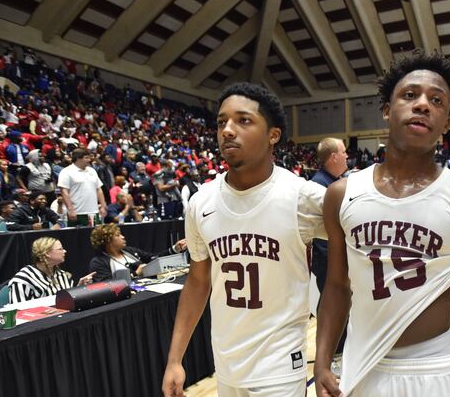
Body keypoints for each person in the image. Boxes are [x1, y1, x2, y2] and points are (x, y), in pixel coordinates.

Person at [315, 51, 450, 397]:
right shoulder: (341, 194)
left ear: (447, 121)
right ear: (387, 109)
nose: (422, 104)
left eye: (436, 100)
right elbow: (336, 286)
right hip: (361, 362)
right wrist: (321, 362)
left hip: (433, 367)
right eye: (410, 95)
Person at [162, 82, 327, 397]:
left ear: (273, 135)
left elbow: (365, 234)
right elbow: (198, 282)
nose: (227, 130)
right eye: (222, 122)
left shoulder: (302, 196)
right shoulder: (201, 203)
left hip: (280, 367)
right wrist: (175, 359)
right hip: (226, 364)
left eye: (243, 120)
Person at [310, 137, 349, 370]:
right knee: (331, 308)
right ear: (333, 157)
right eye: (343, 152)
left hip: (339, 260)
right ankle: (333, 356)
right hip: (329, 261)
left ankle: (342, 352)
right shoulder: (318, 186)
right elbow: (321, 236)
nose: (346, 156)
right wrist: (339, 262)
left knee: (344, 308)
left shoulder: (336, 182)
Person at [8, 237, 95, 303]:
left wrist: (79, 288)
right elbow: (17, 310)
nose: (65, 251)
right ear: (47, 253)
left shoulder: (61, 274)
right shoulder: (23, 279)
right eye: (60, 249)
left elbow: (67, 302)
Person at [89, 223, 186, 282]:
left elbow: (153, 259)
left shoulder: (128, 251)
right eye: (118, 235)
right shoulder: (98, 262)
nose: (123, 237)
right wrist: (135, 274)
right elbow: (106, 285)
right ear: (107, 241)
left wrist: (174, 249)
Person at [58, 148, 107, 226]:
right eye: (86, 157)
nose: (89, 160)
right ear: (78, 158)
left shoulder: (92, 171)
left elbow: (98, 189)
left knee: (96, 237)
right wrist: (70, 209)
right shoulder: (66, 172)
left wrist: (103, 206)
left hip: (94, 212)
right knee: (77, 237)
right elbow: (64, 191)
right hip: (77, 213)